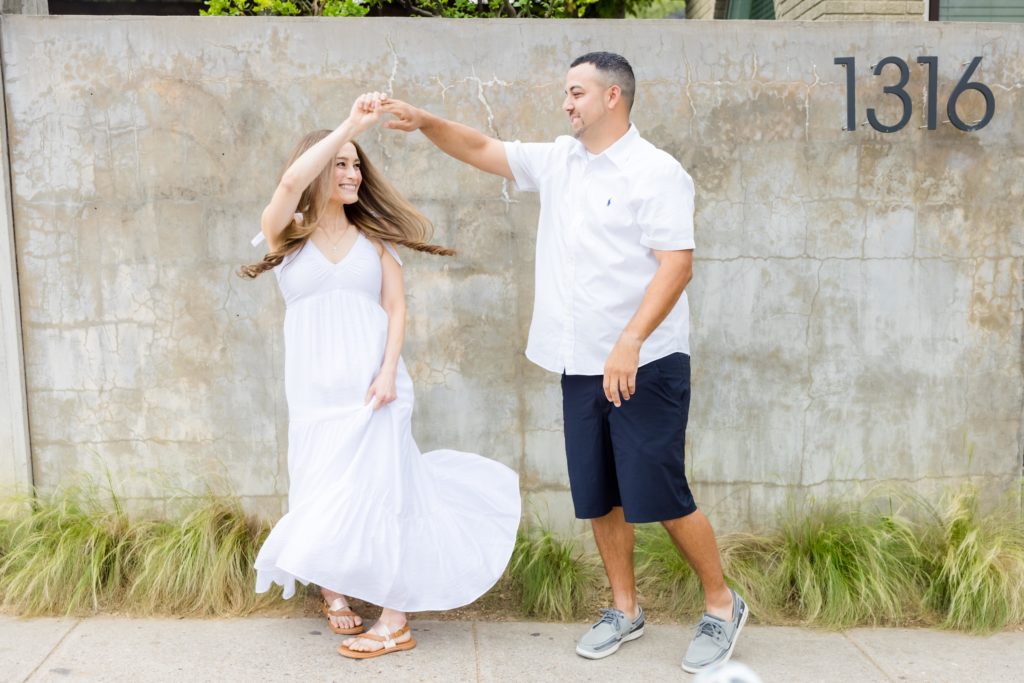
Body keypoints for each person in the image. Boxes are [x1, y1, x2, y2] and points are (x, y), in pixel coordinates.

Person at [381, 53, 747, 673]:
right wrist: (422, 120)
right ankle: (625, 609)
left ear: (613, 98)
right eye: (565, 93)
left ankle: (721, 604)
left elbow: (676, 264)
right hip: (578, 363)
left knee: (660, 494)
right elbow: (478, 147)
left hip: (645, 362)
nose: (566, 103)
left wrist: (630, 340)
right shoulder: (559, 161)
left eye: (575, 92)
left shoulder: (657, 172)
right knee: (600, 496)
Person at [241, 92, 521, 660]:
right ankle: (335, 593)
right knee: (322, 489)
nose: (351, 172)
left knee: (390, 491)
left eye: (355, 163)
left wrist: (390, 371)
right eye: (340, 163)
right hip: (316, 395)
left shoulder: (375, 242)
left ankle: (395, 618)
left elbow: (396, 309)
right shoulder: (285, 236)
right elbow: (290, 185)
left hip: (376, 387)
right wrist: (350, 124)